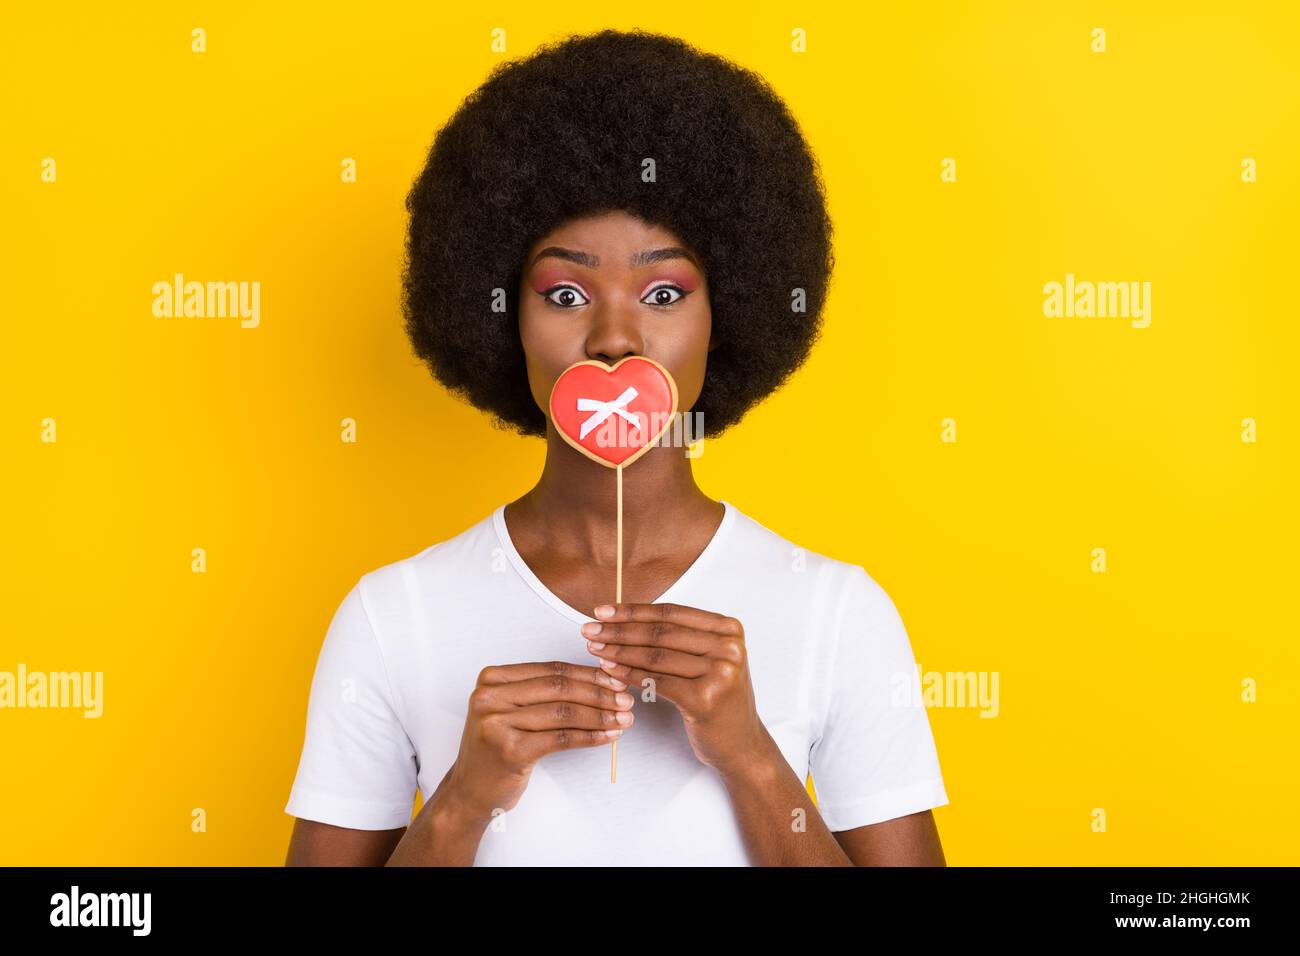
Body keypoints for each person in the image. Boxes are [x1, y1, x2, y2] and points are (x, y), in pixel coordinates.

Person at [284, 28, 948, 866]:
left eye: (663, 291)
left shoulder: (839, 613)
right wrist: (465, 798)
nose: (613, 337)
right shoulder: (391, 616)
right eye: (565, 292)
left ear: (726, 316)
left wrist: (749, 755)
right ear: (502, 320)